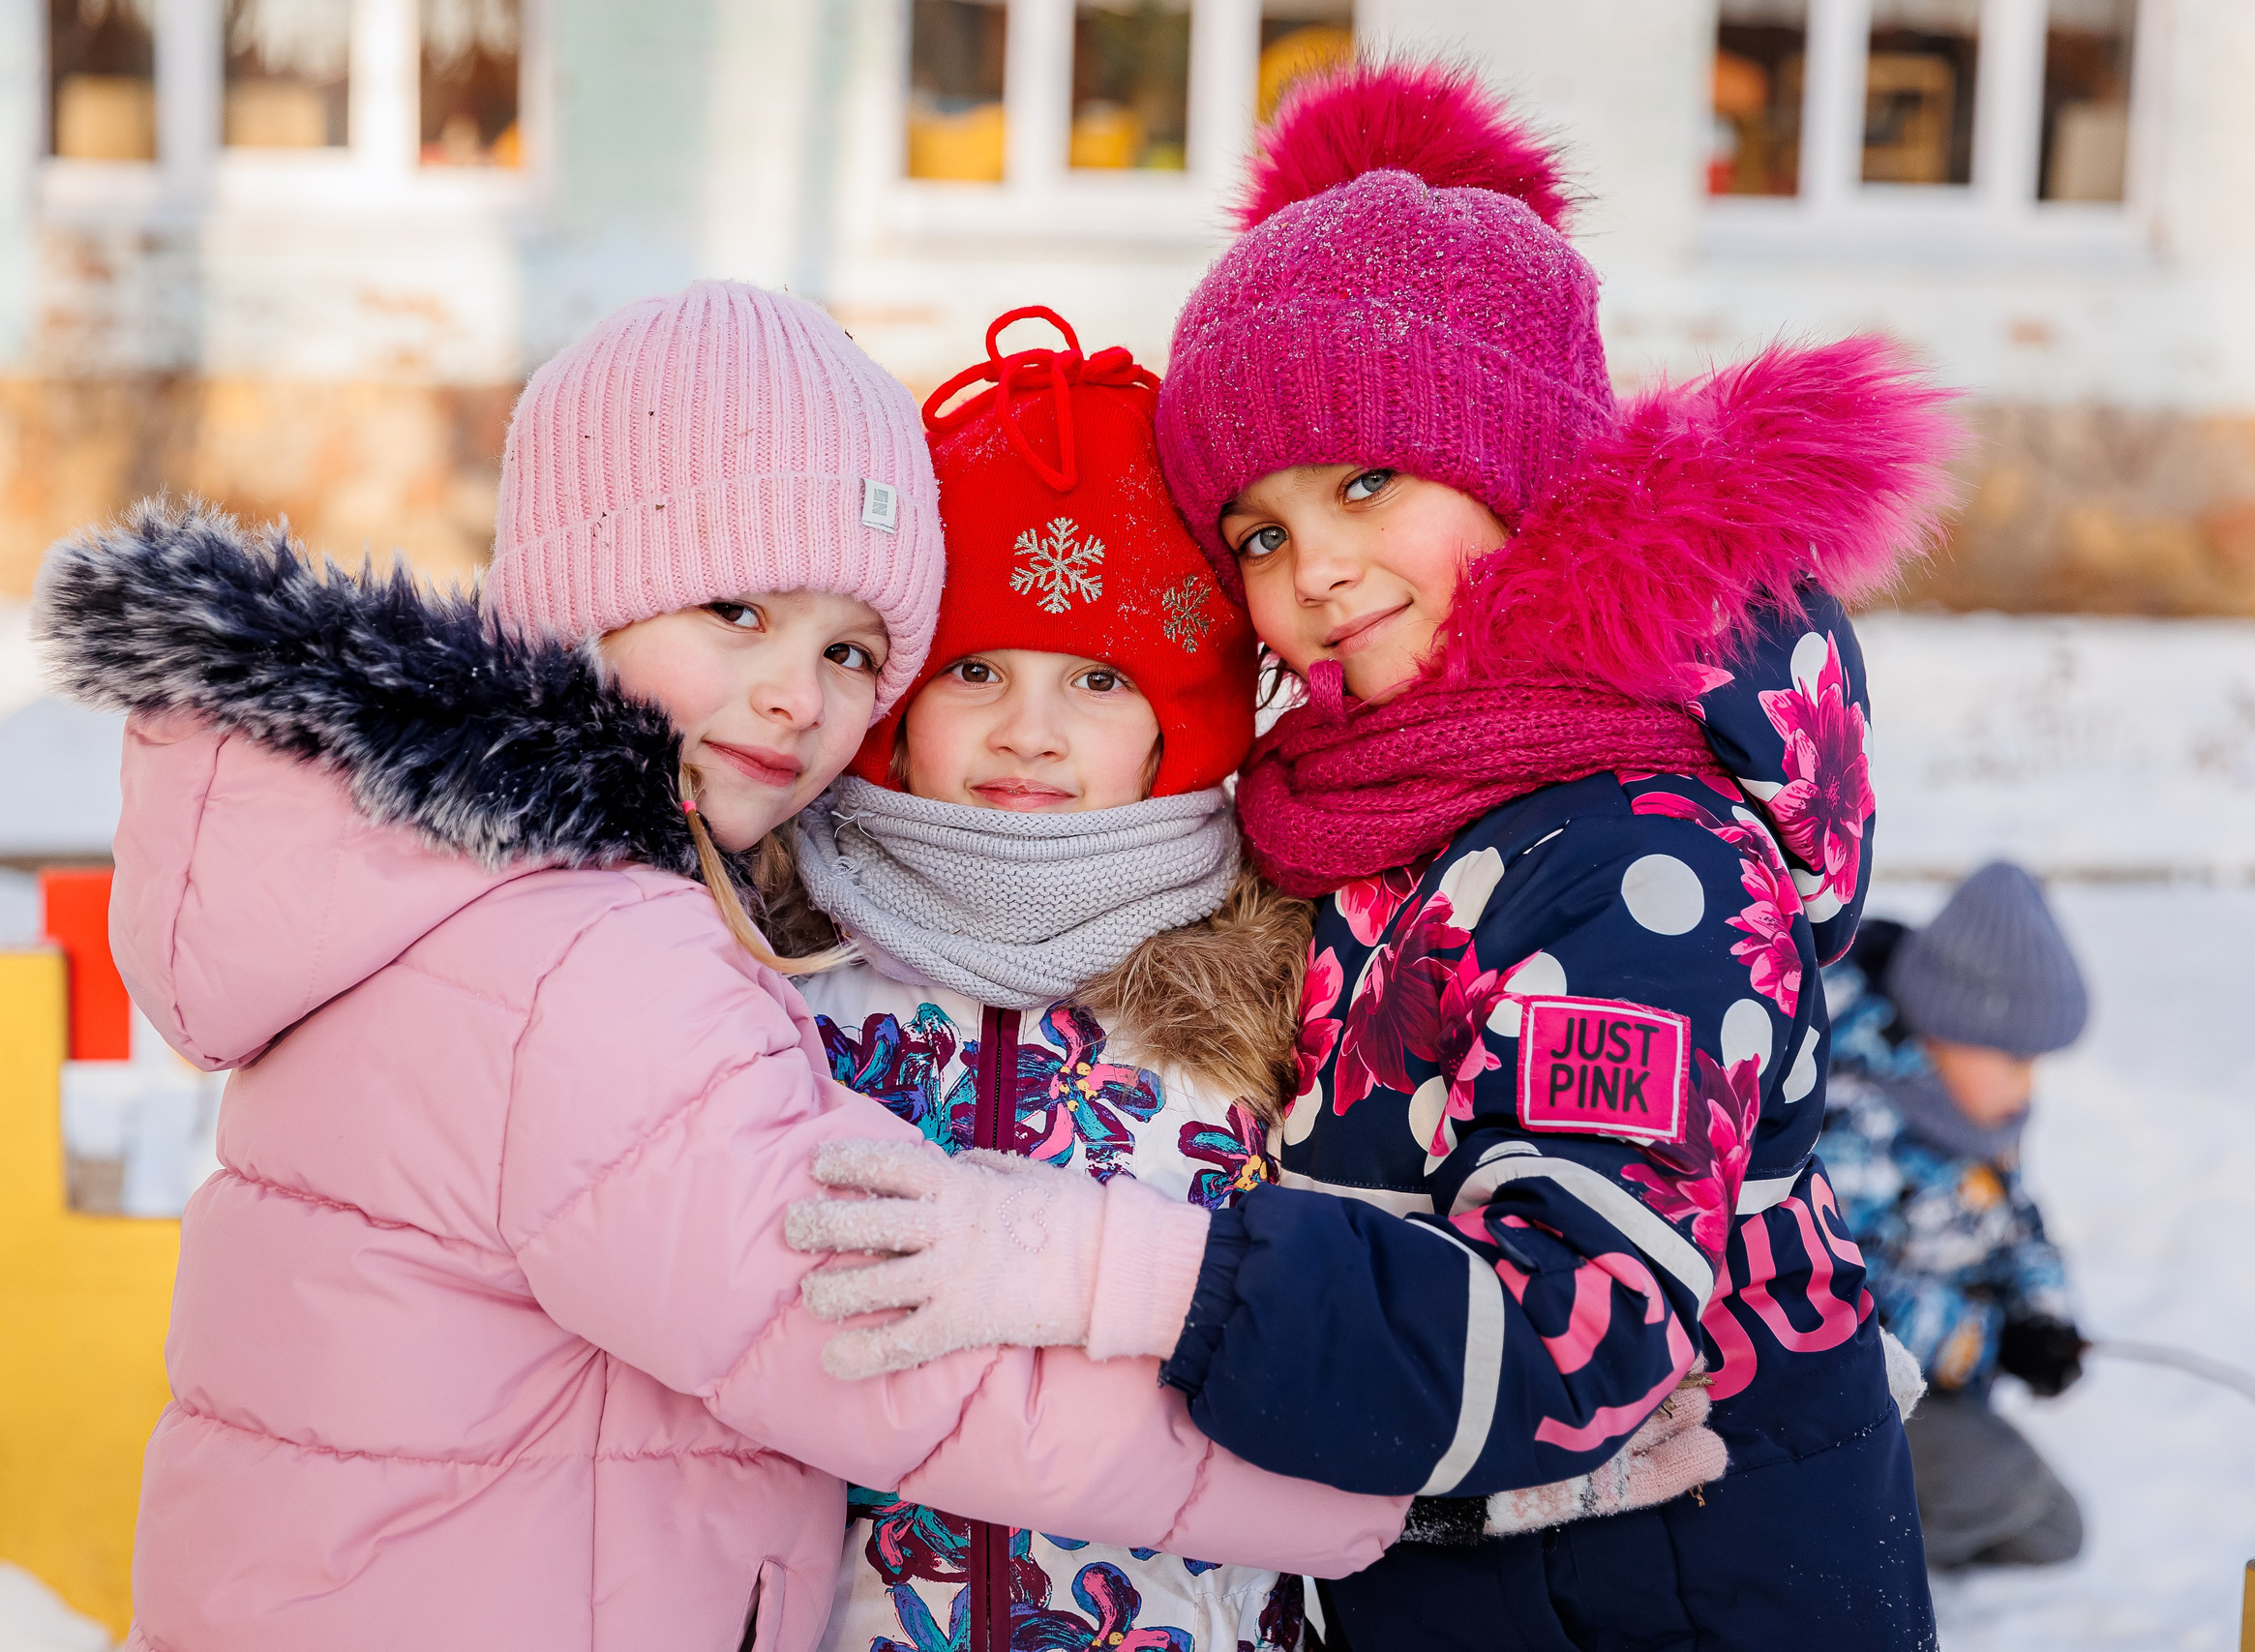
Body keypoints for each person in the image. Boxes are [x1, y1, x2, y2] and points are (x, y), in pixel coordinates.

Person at [28, 281, 1410, 1652]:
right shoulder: (592, 948)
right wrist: (1394, 1489)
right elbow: (866, 1346)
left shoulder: (485, 876)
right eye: (735, 612)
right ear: (588, 592)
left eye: (849, 647)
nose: (794, 695)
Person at [784, 62, 1955, 1648]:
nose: (1315, 567)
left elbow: (1578, 1336)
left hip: (1666, 1595)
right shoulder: (1385, 814)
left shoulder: (1642, 855)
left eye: (1364, 481)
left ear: (1521, 462)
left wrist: (1122, 1273)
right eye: (1257, 531)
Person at [777, 310, 1729, 1652]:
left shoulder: (1289, 982)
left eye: (1101, 678)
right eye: (973, 671)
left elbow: (1344, 1330)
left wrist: (1492, 1494)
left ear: (1188, 715)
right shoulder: (777, 966)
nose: (1028, 732)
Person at [1821, 860, 2091, 1570]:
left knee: (2053, 1531)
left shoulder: (1980, 1116)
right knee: (1997, 1476)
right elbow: (1847, 1296)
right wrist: (1987, 1339)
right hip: (1844, 1396)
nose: (2027, 1083)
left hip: (1937, 1393)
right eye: (2013, 1056)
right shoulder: (1854, 1114)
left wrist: (2042, 1315)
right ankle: (1820, 1563)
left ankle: (1890, 1525)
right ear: (1943, 1026)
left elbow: (2018, 1224)